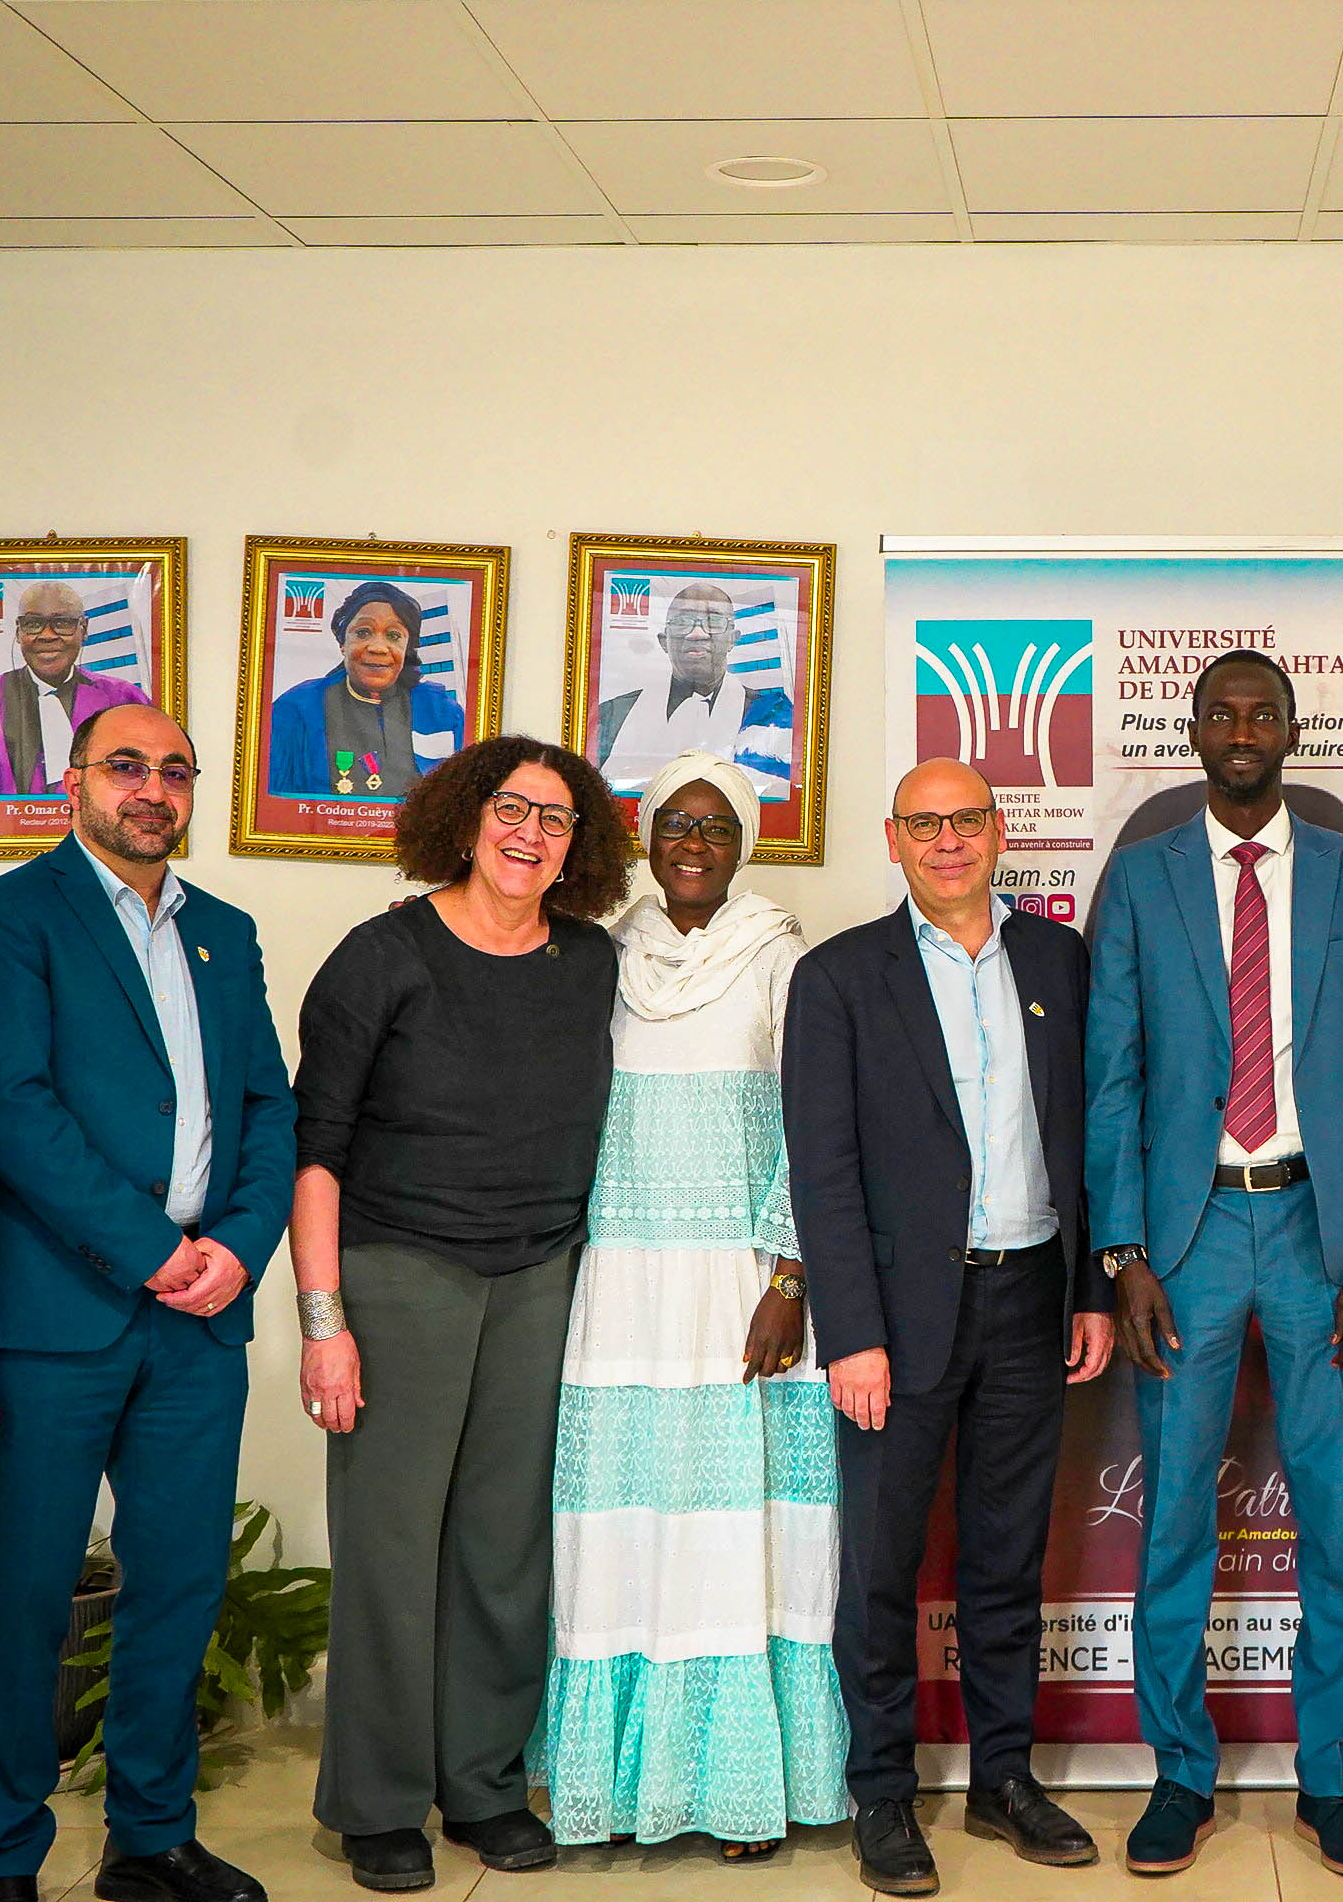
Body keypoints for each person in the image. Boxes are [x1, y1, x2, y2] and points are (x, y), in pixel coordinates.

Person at [1084, 649, 1343, 1880]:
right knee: (1174, 1514)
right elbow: (1112, 1075)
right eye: (1221, 712)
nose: (1241, 728)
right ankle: (1180, 1774)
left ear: (1289, 730)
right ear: (1192, 729)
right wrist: (1123, 1250)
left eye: (1261, 712)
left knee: (1334, 1518)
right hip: (1186, 1240)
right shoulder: (1140, 875)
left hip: (1319, 1235)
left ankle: (1329, 1781)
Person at [0, 702, 297, 1902]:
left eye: (174, 770)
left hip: (200, 1316)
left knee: (179, 1582)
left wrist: (238, 1246)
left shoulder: (224, 931)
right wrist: (152, 1249)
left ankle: (149, 1836)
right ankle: (6, 1851)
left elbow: (267, 1108)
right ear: (74, 784)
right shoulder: (7, 914)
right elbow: (8, 1105)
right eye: (126, 766)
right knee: (26, 1592)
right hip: (58, 1310)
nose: (153, 788)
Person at [289, 736, 629, 1892]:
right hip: (400, 1274)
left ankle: (482, 1781)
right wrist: (323, 1321)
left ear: (578, 846)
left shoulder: (587, 960)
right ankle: (376, 1801)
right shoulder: (382, 955)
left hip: (538, 1276)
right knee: (390, 1548)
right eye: (511, 807)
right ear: (465, 818)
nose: (530, 832)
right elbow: (317, 1148)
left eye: (556, 817)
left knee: (503, 1546)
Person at [785, 756, 1114, 1897]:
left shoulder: (1057, 960)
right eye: (923, 824)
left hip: (1030, 1297)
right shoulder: (838, 977)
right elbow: (822, 1171)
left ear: (998, 829)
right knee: (880, 1565)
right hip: (897, 1315)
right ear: (893, 839)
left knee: (1005, 1558)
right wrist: (850, 1334)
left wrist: (1090, 1289)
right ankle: (881, 1790)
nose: (947, 841)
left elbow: (1088, 1136)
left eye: (965, 819)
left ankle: (1002, 1777)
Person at [536, 751, 846, 1861]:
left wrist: (789, 1277)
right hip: (623, 1282)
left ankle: (741, 1785)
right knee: (625, 1528)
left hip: (742, 1284)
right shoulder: (600, 952)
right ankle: (619, 1783)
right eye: (677, 822)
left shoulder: (783, 955)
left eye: (717, 826)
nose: (695, 843)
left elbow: (817, 1123)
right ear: (646, 835)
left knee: (735, 1535)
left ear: (744, 843)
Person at [268, 579, 467, 801]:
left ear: (407, 648)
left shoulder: (443, 712)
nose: (378, 648)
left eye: (394, 636)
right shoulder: (296, 709)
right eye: (363, 632)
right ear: (343, 643)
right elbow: (274, 804)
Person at [594, 582, 795, 802]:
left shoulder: (770, 716)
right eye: (682, 622)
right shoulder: (614, 716)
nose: (697, 634)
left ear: (733, 639)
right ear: (664, 641)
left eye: (714, 621)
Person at [0, 580, 151, 799]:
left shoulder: (126, 701)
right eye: (33, 623)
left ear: (84, 629)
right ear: (19, 632)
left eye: (63, 622)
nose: (47, 635)